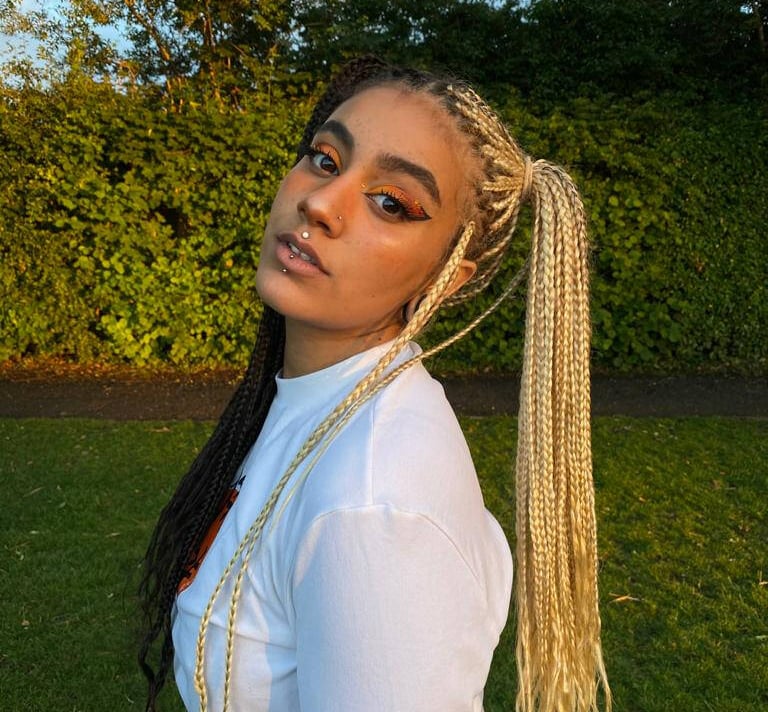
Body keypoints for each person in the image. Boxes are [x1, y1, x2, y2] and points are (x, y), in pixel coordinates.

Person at [138, 57, 610, 712]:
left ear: (454, 275)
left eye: (392, 202)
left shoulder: (371, 501)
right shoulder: (316, 402)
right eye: (326, 159)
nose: (320, 202)